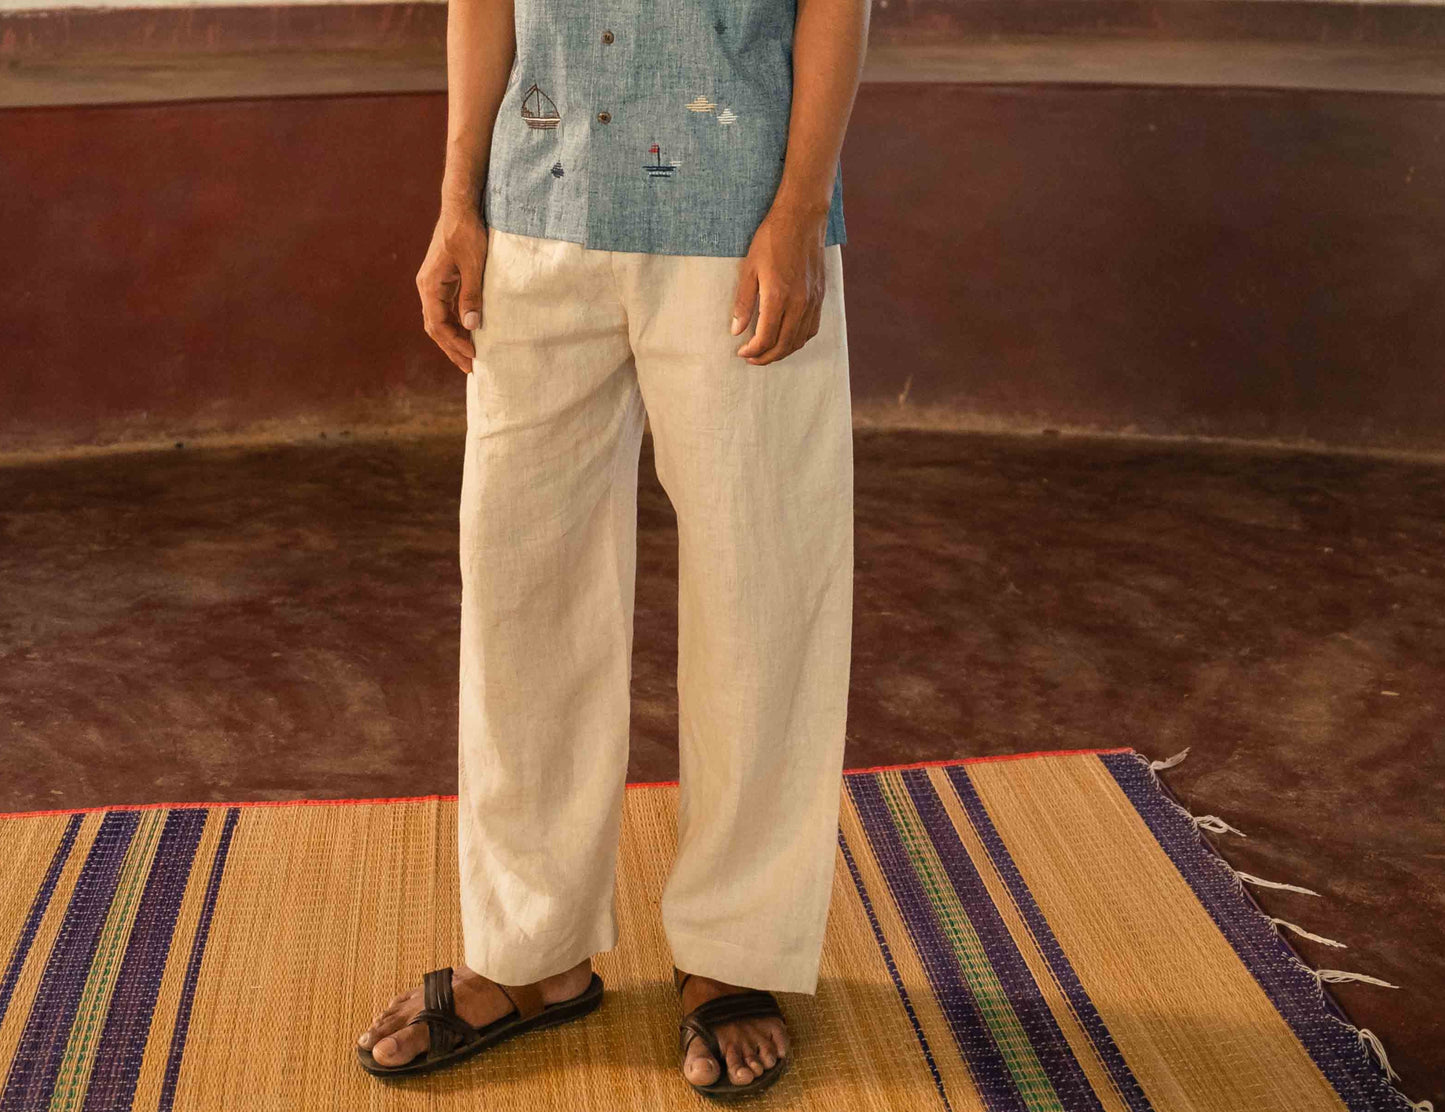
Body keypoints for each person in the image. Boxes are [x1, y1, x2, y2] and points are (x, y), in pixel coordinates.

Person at [355, 0, 866, 1097]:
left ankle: (732, 953)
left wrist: (799, 205)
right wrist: (456, 202)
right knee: (520, 591)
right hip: (533, 209)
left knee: (761, 592)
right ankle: (530, 954)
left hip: (736, 222)